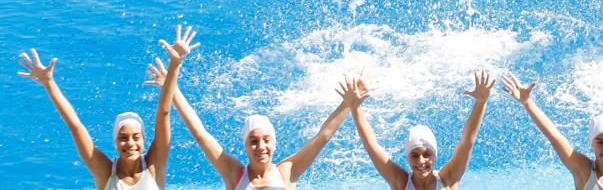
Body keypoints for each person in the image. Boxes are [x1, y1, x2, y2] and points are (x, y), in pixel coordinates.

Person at [149, 45, 362, 190]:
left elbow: (322, 137)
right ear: (245, 146)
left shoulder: (286, 172)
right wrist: (172, 86)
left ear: (275, 144)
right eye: (254, 141)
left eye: (266, 140)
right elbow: (200, 132)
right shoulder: (235, 174)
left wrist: (348, 104)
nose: (261, 146)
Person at [17, 24, 199, 190]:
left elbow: (164, 113)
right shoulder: (105, 172)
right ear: (115, 140)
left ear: (144, 139)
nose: (130, 144)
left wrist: (175, 64)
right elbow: (76, 126)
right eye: (123, 138)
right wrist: (49, 83)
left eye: (136, 137)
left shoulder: (153, 166)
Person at [346, 70, 494, 190]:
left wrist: (481, 103)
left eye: (426, 154)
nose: (421, 161)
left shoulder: (448, 180)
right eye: (414, 155)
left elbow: (467, 142)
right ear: (407, 156)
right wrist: (355, 107)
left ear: (435, 156)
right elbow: (372, 147)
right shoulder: (401, 182)